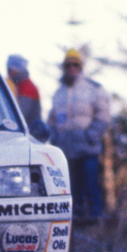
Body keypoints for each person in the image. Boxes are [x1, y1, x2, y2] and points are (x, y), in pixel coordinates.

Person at [47, 49, 110, 223]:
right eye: (68, 65)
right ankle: (77, 222)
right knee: (71, 188)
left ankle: (98, 220)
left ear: (80, 67)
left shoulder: (93, 89)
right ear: (64, 67)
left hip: (87, 147)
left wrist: (91, 135)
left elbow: (104, 115)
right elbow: (51, 119)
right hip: (66, 150)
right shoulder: (58, 93)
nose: (71, 68)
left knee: (91, 184)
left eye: (75, 64)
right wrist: (54, 138)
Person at [6, 54, 42, 125]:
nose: (9, 73)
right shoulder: (17, 86)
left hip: (30, 132)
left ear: (18, 70)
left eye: (10, 70)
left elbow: (19, 115)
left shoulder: (27, 87)